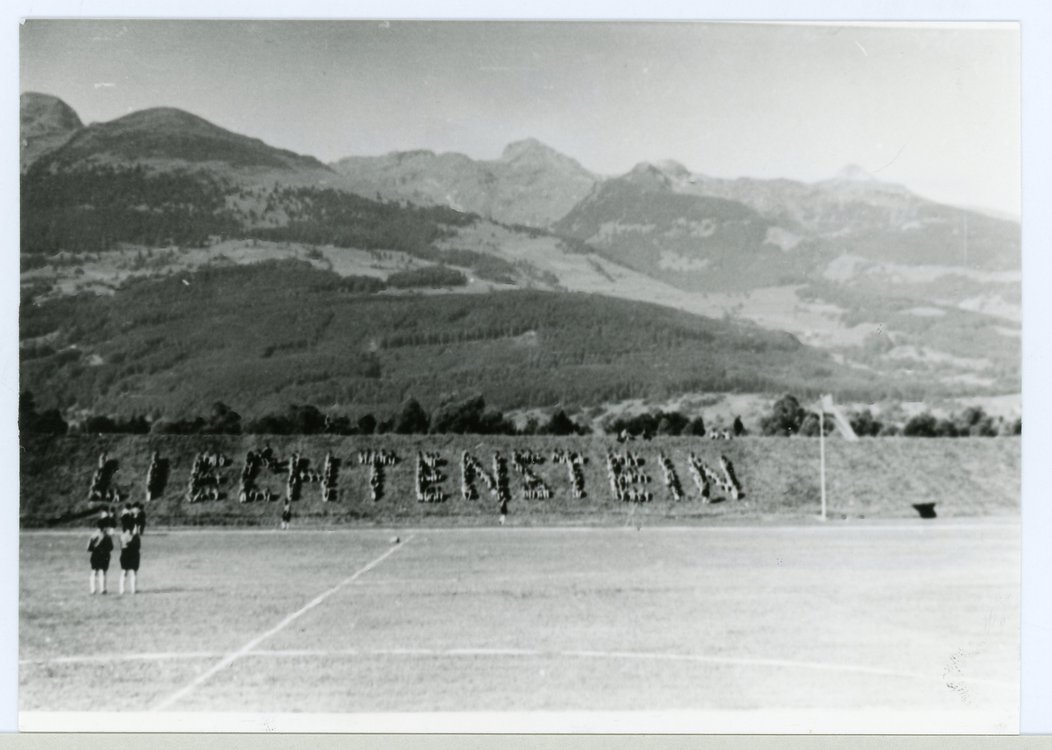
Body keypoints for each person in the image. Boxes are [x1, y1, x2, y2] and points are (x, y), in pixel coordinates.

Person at [87, 527, 114, 595]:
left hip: (95, 555)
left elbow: (89, 548)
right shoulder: (107, 536)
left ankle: (93, 590)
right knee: (102, 572)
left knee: (94, 572)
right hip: (104, 555)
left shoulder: (93, 535)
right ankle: (102, 589)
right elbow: (111, 547)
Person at [119, 530, 141, 595]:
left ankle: (121, 590)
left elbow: (122, 546)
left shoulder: (122, 536)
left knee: (124, 572)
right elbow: (138, 547)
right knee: (133, 572)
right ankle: (133, 590)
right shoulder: (136, 537)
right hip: (133, 556)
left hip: (124, 555)